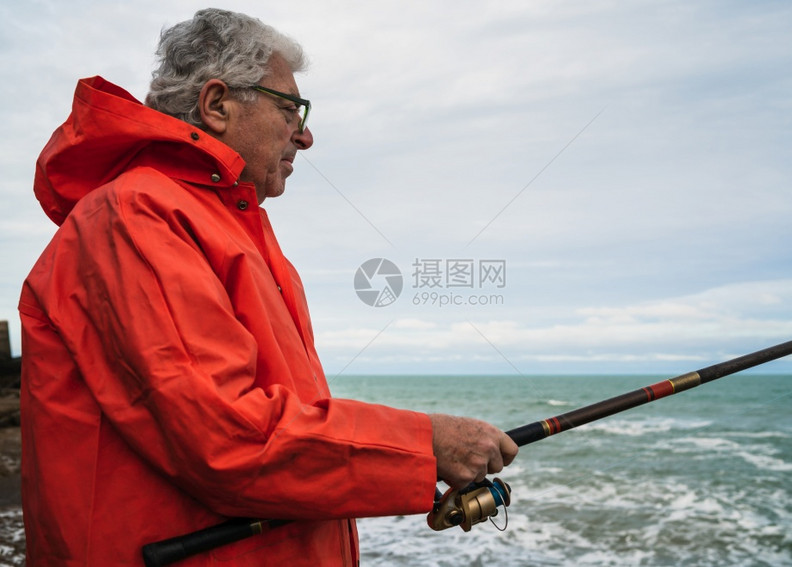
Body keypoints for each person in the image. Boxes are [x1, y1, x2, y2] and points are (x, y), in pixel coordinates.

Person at [18, 8, 517, 566]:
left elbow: (268, 424)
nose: (305, 135)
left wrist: (408, 459)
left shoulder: (223, 224)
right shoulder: (135, 215)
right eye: (289, 108)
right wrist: (423, 445)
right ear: (217, 104)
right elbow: (227, 436)